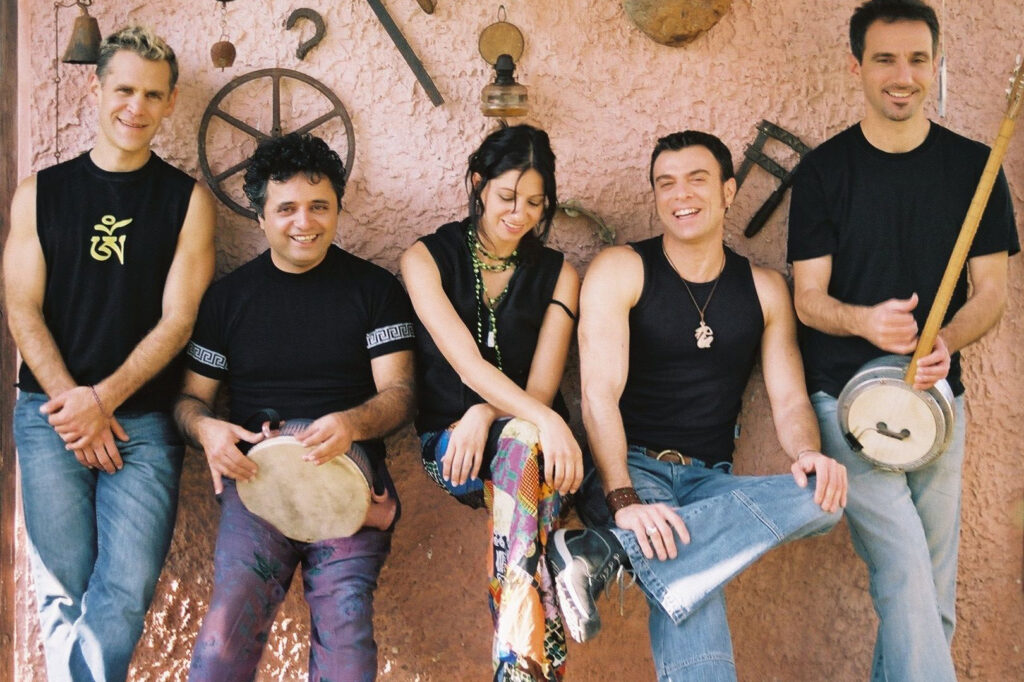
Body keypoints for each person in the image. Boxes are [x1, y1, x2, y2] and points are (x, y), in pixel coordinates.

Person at [548, 130, 848, 682]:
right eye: (666, 183)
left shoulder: (764, 289)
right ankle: (621, 534)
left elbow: (788, 398)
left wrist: (808, 452)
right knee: (683, 558)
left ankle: (603, 552)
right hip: (631, 468)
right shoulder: (622, 268)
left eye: (697, 179)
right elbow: (598, 396)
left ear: (729, 191)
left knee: (823, 499)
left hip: (711, 481)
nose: (680, 194)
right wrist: (623, 500)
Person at [787, 1, 1019, 679]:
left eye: (918, 59)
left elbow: (993, 296)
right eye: (885, 59)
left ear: (936, 62)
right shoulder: (825, 172)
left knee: (929, 599)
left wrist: (945, 337)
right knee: (909, 575)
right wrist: (865, 321)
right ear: (856, 66)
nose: (903, 75)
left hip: (938, 401)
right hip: (848, 404)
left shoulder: (976, 169)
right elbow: (807, 298)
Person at [2, 25, 216, 681]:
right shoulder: (40, 192)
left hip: (143, 423)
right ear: (97, 89)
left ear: (171, 102)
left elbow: (179, 321)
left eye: (153, 95)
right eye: (124, 89)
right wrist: (76, 405)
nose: (136, 108)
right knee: (61, 590)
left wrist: (104, 402)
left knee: (124, 591)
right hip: (50, 418)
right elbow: (21, 308)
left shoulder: (188, 202)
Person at [174, 132, 415, 680]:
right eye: (286, 208)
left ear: (337, 210)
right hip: (258, 480)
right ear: (260, 217)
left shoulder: (375, 290)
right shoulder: (228, 299)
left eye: (319, 206)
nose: (304, 222)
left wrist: (352, 423)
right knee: (223, 640)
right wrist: (208, 431)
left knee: (347, 646)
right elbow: (190, 400)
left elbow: (400, 394)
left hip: (349, 479)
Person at [400, 124, 583, 681]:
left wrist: (492, 414)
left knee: (523, 451)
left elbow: (544, 387)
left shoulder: (560, 274)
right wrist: (494, 415)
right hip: (450, 449)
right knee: (529, 448)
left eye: (535, 202)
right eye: (507, 197)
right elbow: (466, 366)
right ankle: (559, 588)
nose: (520, 214)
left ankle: (518, 659)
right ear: (479, 185)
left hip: (533, 448)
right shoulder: (425, 258)